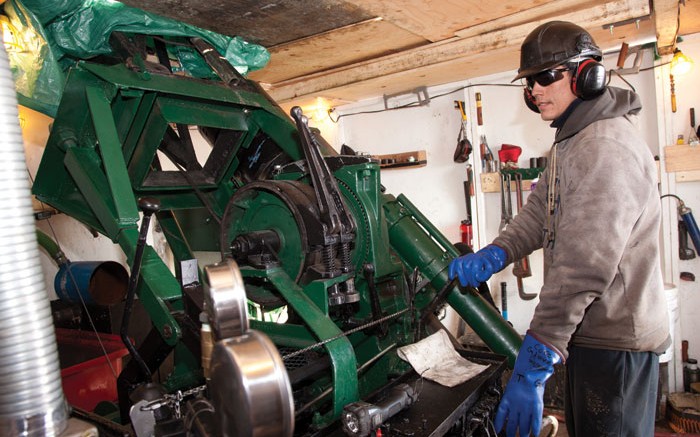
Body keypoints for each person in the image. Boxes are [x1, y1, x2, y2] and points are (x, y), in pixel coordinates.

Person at [448, 21, 670, 437]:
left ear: (587, 74)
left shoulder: (604, 146)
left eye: (546, 76)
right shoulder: (573, 140)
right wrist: (496, 254)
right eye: (530, 81)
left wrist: (534, 362)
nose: (534, 89)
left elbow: (583, 265)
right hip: (589, 335)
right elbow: (538, 213)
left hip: (616, 341)